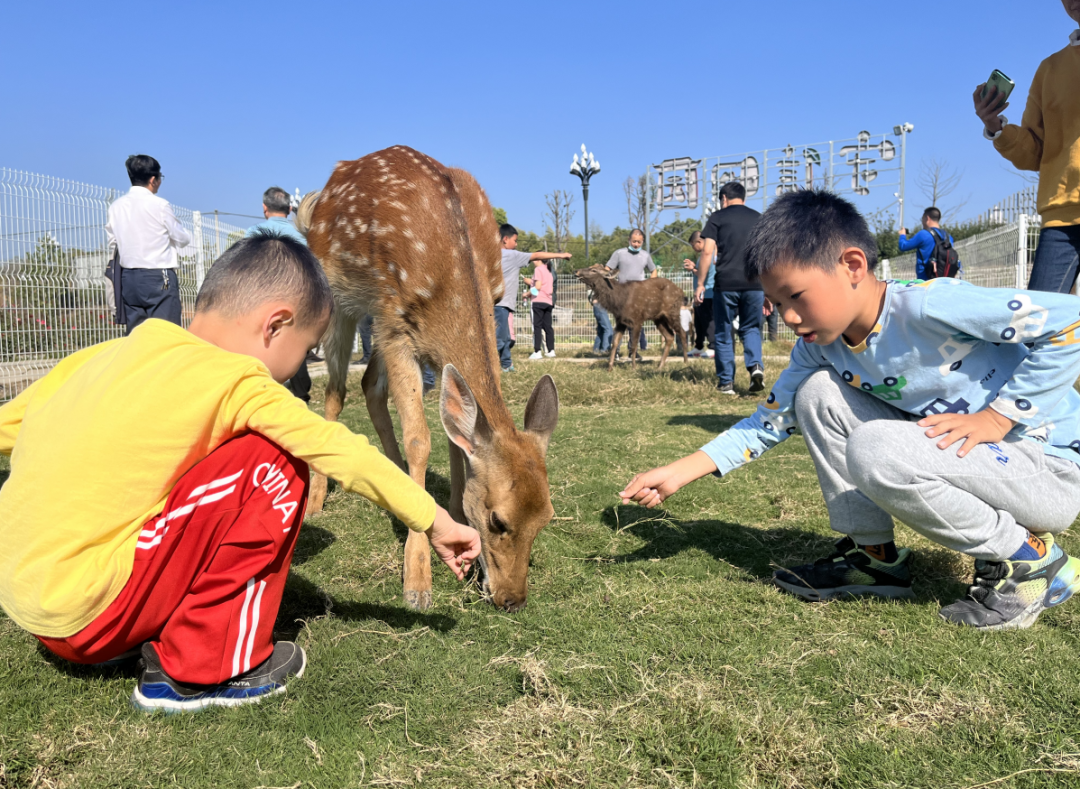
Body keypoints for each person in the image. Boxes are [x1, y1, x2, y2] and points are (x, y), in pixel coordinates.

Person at [0, 232, 480, 712]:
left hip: (30, 604)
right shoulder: (238, 378)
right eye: (309, 348)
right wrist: (436, 519)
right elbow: (337, 449)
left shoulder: (104, 355)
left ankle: (147, 627)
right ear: (275, 325)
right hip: (87, 616)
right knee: (276, 461)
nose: (300, 365)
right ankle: (198, 672)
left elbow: (8, 427)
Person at [621, 189, 1080, 631]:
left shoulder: (928, 305)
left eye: (796, 296)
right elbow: (769, 421)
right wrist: (681, 471)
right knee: (817, 394)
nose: (788, 317)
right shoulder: (821, 350)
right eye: (777, 304)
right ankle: (875, 559)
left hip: (1046, 468)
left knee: (873, 447)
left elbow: (1069, 322)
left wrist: (998, 418)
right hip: (970, 457)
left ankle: (1031, 558)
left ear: (852, 265)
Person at [974, 1, 1080, 293]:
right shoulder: (1050, 69)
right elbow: (1035, 151)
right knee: (1034, 325)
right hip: (1060, 215)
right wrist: (996, 127)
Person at [105, 155, 191, 334]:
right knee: (166, 335)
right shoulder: (160, 205)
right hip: (158, 276)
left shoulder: (116, 207)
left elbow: (113, 242)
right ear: (153, 180)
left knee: (137, 337)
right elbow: (181, 238)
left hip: (128, 278)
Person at [697, 182, 764, 395]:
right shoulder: (759, 218)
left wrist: (700, 283)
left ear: (724, 198)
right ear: (743, 197)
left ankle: (726, 383)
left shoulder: (717, 217)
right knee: (751, 328)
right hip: (755, 284)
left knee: (723, 331)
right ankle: (755, 367)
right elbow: (766, 255)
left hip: (726, 283)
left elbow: (707, 253)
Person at [247, 187, 313, 401]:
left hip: (263, 296)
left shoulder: (254, 233)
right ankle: (300, 391)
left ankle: (265, 388)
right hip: (296, 297)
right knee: (295, 343)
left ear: (265, 208)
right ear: (290, 208)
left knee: (264, 342)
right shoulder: (302, 237)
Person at [497, 224, 570, 372]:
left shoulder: (491, 255)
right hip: (507, 303)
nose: (516, 244)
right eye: (515, 240)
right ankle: (490, 365)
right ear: (505, 239)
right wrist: (560, 255)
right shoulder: (512, 255)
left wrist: (528, 291)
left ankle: (506, 363)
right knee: (501, 337)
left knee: (504, 336)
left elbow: (536, 286)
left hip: (499, 302)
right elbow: (537, 256)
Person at [606, 229, 655, 355]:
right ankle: (615, 350)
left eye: (639, 242)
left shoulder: (645, 255)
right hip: (622, 294)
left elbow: (653, 270)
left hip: (639, 295)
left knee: (636, 324)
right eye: (634, 241)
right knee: (620, 322)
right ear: (629, 240)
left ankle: (633, 351)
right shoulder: (619, 253)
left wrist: (650, 285)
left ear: (642, 242)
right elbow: (607, 269)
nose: (636, 244)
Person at [898, 207, 959, 281]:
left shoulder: (923, 234)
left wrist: (902, 235)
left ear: (927, 218)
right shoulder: (948, 236)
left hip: (926, 280)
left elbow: (903, 246)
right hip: (945, 279)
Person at [682, 231, 715, 358]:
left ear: (699, 242)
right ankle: (699, 346)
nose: (693, 248)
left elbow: (704, 274)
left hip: (708, 294)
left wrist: (692, 269)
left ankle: (713, 347)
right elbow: (700, 269)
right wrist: (694, 266)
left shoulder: (709, 254)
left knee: (708, 321)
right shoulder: (702, 256)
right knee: (699, 323)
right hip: (700, 295)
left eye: (693, 245)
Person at [525, 261, 556, 360]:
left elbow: (538, 287)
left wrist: (527, 294)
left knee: (537, 327)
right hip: (548, 301)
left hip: (538, 301)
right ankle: (551, 350)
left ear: (538, 260)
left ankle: (537, 351)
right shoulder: (549, 271)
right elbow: (550, 289)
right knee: (548, 327)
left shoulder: (538, 270)